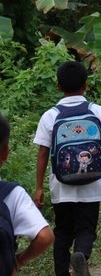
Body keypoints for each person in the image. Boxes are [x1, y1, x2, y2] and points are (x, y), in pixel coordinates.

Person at [33, 61, 101, 276]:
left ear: (58, 86)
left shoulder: (50, 116)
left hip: (61, 186)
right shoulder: (98, 111)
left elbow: (42, 154)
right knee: (86, 229)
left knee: (63, 232)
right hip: (92, 184)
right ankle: (81, 256)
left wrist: (38, 188)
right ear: (86, 84)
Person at [1, 114, 54, 275]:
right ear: (5, 153)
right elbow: (45, 237)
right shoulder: (11, 193)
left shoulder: (51, 115)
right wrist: (18, 260)